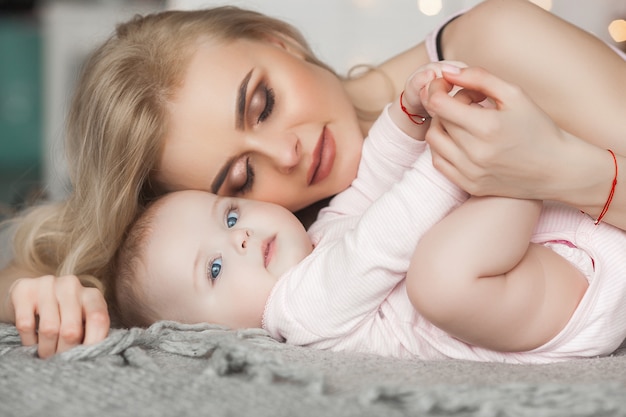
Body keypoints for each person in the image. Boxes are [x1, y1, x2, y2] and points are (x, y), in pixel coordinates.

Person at [1, 0, 625, 358]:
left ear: (278, 41)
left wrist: (565, 174)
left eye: (263, 103)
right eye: (241, 179)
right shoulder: (300, 258)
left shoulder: (488, 44)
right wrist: (43, 293)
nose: (289, 151)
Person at [109, 64, 626, 363]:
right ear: (214, 333)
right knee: (438, 281)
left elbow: (371, 185)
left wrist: (408, 116)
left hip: (561, 252)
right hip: (564, 309)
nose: (240, 239)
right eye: (215, 269)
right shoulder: (296, 312)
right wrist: (450, 166)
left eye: (230, 217)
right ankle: (517, 172)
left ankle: (516, 167)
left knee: (440, 258)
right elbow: (382, 239)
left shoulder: (320, 236)